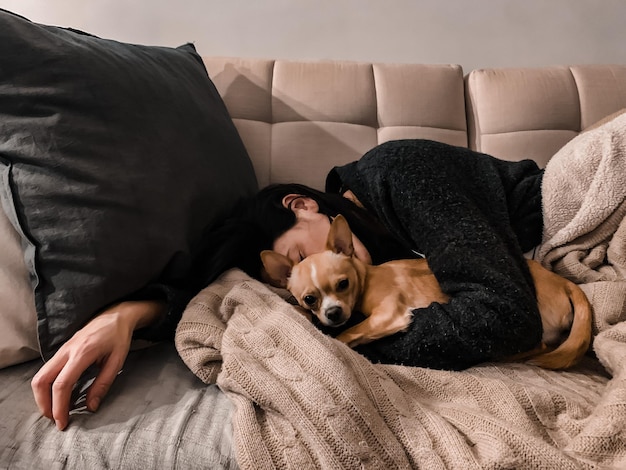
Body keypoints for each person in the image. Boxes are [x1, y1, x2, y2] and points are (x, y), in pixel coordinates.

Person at [32, 138, 545, 430]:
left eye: (301, 254)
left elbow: (507, 313)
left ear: (302, 205)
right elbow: (214, 288)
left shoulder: (397, 173)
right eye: (299, 282)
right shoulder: (383, 265)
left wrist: (356, 351)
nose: (319, 272)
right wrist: (129, 313)